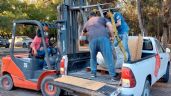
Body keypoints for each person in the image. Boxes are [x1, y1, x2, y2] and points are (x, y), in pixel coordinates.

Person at [81, 11, 118, 81]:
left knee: (93, 58)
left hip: (92, 40)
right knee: (108, 57)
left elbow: (82, 34)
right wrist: (112, 36)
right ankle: (113, 76)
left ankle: (93, 74)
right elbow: (110, 26)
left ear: (89, 17)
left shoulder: (87, 23)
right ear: (95, 15)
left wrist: (83, 43)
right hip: (103, 39)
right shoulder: (102, 19)